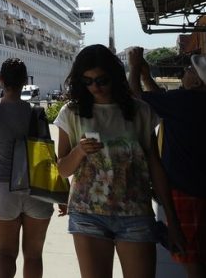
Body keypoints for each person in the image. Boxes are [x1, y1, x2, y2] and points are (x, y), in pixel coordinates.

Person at [54, 44, 182, 278]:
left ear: (114, 76)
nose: (95, 87)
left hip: (135, 214)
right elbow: (62, 169)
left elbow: (155, 165)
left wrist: (172, 220)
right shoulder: (71, 113)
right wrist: (80, 151)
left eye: (102, 80)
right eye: (88, 81)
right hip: (87, 214)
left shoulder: (140, 111)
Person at [128, 48, 206, 277]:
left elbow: (136, 100)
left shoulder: (184, 101)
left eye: (191, 70)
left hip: (185, 189)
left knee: (189, 255)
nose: (186, 70)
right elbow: (166, 106)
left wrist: (134, 67)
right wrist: (146, 77)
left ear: (195, 84)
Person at [0, 58, 54, 278]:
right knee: (33, 256)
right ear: (24, 81)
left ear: (1, 80)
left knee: (4, 253)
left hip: (3, 188)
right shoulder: (37, 112)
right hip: (37, 189)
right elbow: (47, 153)